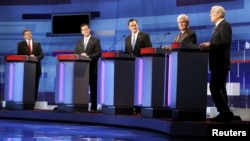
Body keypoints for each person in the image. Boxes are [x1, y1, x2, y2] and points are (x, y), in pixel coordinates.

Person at [199, 6, 240, 122]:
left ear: (218, 14)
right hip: (217, 63)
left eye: (211, 13)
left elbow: (224, 42)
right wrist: (204, 48)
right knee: (219, 87)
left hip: (221, 63)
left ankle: (224, 112)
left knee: (215, 87)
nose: (210, 15)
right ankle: (226, 113)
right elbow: (217, 45)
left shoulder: (225, 25)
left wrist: (210, 44)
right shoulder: (218, 27)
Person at [125, 18, 152, 115]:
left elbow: (149, 49)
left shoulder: (144, 36)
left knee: (141, 87)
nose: (134, 27)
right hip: (131, 66)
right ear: (129, 27)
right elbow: (127, 52)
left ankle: (141, 108)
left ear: (138, 25)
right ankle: (134, 107)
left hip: (142, 65)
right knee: (133, 87)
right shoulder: (127, 39)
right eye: (132, 26)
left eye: (135, 25)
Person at [74, 23, 102, 112]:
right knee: (81, 89)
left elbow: (98, 53)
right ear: (81, 32)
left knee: (93, 89)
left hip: (92, 68)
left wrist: (88, 56)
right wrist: (80, 55)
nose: (86, 31)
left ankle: (94, 107)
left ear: (89, 30)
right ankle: (81, 106)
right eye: (84, 30)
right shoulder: (78, 43)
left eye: (87, 29)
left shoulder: (96, 41)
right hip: (82, 69)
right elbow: (75, 54)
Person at [17, 28, 44, 103]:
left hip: (36, 68)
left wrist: (35, 57)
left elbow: (41, 55)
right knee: (25, 86)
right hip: (25, 68)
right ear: (24, 36)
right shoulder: (20, 44)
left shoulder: (37, 43)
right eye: (27, 34)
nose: (29, 35)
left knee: (35, 86)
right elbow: (19, 56)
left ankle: (33, 102)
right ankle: (25, 101)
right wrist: (27, 58)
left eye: (30, 33)